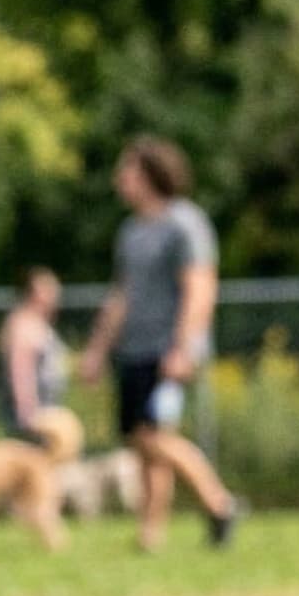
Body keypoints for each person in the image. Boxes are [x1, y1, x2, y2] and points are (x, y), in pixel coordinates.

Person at [77, 137, 240, 549]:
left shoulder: (185, 223)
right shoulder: (131, 231)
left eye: (126, 170)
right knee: (142, 443)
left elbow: (200, 289)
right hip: (133, 349)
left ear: (150, 174)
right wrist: (97, 349)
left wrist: (182, 349)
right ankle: (151, 533)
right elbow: (121, 295)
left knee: (154, 437)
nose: (119, 179)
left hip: (168, 350)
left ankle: (219, 502)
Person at [0, 267, 68, 441]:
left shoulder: (38, 322)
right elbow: (20, 372)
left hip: (45, 410)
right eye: (49, 291)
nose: (54, 297)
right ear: (34, 294)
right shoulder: (24, 324)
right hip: (33, 416)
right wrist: (28, 415)